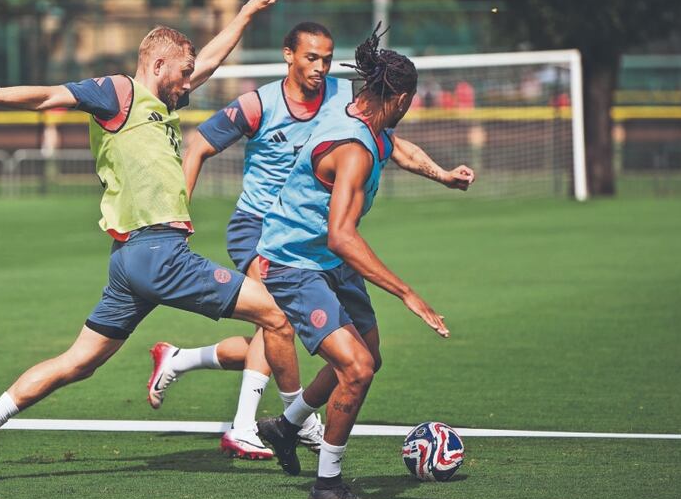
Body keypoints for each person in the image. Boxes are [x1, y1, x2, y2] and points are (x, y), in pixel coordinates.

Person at [0, 0, 307, 484]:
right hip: (159, 253)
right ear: (158, 64)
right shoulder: (119, 92)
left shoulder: (164, 101)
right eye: (183, 73)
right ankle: (300, 423)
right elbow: (46, 97)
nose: (191, 82)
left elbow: (208, 57)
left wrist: (250, 8)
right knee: (276, 314)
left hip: (131, 261)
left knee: (77, 363)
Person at [149, 23, 475, 460]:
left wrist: (443, 175)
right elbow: (199, 146)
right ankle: (246, 427)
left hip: (318, 237)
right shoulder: (258, 103)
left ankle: (183, 361)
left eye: (326, 58)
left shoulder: (349, 99)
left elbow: (394, 145)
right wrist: (178, 213)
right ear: (288, 55)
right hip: (263, 228)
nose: (320, 67)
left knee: (296, 339)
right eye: (311, 58)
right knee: (273, 319)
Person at [248, 25, 450, 499]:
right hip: (295, 263)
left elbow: (399, 149)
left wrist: (443, 175)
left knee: (368, 358)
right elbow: (342, 235)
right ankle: (327, 485)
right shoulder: (354, 148)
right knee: (356, 369)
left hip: (326, 260)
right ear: (400, 98)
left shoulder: (364, 116)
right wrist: (407, 293)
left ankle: (285, 425)